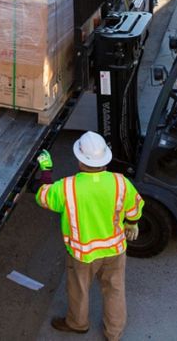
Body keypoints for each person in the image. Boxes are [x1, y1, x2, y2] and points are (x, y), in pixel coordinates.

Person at [35, 132, 143, 341]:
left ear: (79, 159)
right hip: (114, 250)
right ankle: (114, 333)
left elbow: (43, 197)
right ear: (105, 159)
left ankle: (77, 324)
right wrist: (132, 223)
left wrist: (46, 171)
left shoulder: (66, 187)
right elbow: (135, 208)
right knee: (115, 289)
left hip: (82, 253)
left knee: (79, 290)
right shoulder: (120, 183)